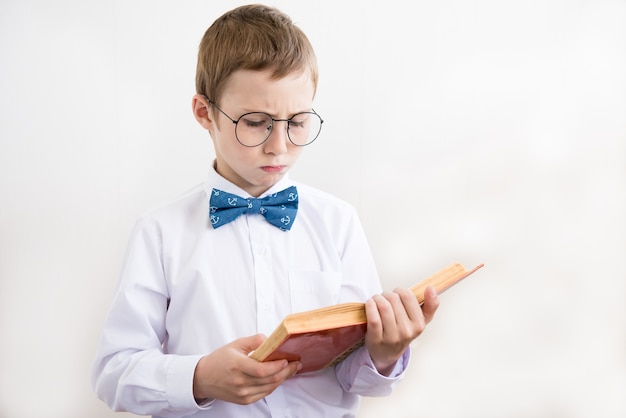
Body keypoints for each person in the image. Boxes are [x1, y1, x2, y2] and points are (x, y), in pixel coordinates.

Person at [91, 4, 440, 417]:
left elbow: (352, 377)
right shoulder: (159, 231)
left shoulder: (338, 222)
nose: (279, 145)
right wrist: (199, 376)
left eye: (297, 122)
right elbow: (113, 373)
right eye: (256, 122)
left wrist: (384, 352)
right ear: (205, 113)